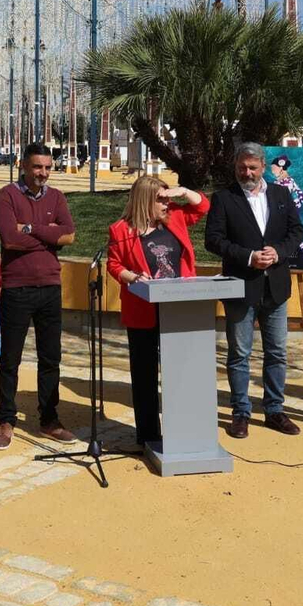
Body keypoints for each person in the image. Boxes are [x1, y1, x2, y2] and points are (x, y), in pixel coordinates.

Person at [205, 142, 303, 438]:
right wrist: (248, 256)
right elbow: (214, 240)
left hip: (276, 286)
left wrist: (278, 252)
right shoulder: (224, 198)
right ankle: (240, 412)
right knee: (239, 353)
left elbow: (296, 232)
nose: (246, 173)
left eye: (252, 168)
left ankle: (274, 410)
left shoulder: (281, 194)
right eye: (241, 168)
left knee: (276, 351)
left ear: (263, 166)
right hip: (240, 285)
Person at [106, 177, 209, 447]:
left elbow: (203, 207)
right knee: (144, 375)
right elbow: (114, 265)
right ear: (144, 201)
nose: (167, 203)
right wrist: (132, 277)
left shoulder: (175, 218)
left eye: (168, 198)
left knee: (181, 371)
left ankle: (184, 432)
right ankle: (149, 435)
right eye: (161, 199)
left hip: (180, 309)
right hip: (142, 309)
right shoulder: (120, 231)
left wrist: (185, 189)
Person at [0, 142, 77, 449]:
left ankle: (49, 419)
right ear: (23, 166)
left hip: (50, 288)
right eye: (37, 167)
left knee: (50, 358)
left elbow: (69, 234)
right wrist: (48, 234)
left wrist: (29, 228)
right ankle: (6, 420)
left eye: (48, 167)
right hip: (16, 288)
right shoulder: (6, 196)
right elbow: (10, 240)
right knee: (10, 359)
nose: (43, 173)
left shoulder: (57, 196)